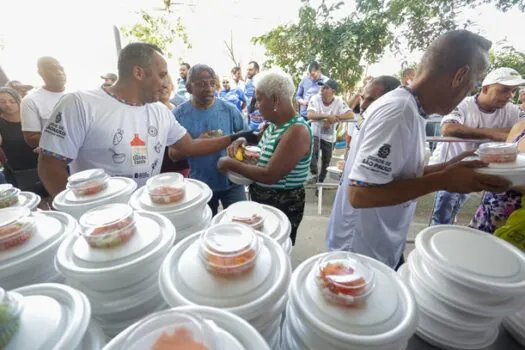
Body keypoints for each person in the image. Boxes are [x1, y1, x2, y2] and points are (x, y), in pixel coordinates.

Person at [325, 30, 511, 269]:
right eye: (472, 85)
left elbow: (395, 177)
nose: (469, 93)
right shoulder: (399, 111)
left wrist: (451, 167)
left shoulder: (410, 109)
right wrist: (444, 180)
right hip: (359, 252)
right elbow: (359, 194)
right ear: (460, 75)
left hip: (376, 244)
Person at [38, 43, 259, 197]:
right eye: (162, 74)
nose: (165, 83)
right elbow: (50, 165)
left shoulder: (159, 111)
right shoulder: (79, 104)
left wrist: (238, 136)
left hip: (149, 210)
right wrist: (77, 216)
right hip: (101, 222)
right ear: (139, 73)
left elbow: (190, 146)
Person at [218, 70, 312, 246]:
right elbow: (263, 145)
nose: (256, 105)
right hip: (264, 201)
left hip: (282, 205)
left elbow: (270, 175)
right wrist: (242, 139)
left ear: (275, 100)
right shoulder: (275, 126)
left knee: (275, 250)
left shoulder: (297, 131)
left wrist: (229, 163)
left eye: (259, 99)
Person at [429, 67, 525, 225]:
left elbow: (522, 128)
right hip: (450, 167)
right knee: (443, 209)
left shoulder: (512, 111)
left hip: (479, 170)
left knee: (454, 207)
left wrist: (477, 132)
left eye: (513, 91)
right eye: (504, 90)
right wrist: (494, 134)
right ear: (486, 89)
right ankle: (437, 236)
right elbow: (448, 128)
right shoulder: (463, 104)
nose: (509, 96)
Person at [172, 64, 248, 215]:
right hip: (200, 185)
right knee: (205, 228)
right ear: (189, 88)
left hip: (232, 181)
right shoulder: (178, 115)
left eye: (212, 83)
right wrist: (193, 144)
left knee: (241, 222)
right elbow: (172, 155)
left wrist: (240, 141)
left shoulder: (229, 110)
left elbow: (246, 135)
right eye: (201, 84)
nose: (208, 88)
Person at [470, 120, 525, 233]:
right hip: (492, 206)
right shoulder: (519, 127)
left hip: (519, 217)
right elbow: (504, 164)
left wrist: (506, 180)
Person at [0, 87, 49, 206]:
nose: (8, 105)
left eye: (12, 101)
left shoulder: (32, 116)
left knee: (54, 197)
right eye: (3, 101)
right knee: (35, 204)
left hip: (44, 164)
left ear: (19, 100)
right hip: (19, 172)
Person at [307, 79, 353, 183]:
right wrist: (327, 116)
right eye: (322, 87)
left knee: (326, 162)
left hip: (330, 137)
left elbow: (350, 114)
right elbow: (310, 115)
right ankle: (314, 174)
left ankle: (320, 181)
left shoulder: (339, 101)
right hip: (316, 134)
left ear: (333, 92)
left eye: (326, 88)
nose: (322, 90)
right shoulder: (315, 98)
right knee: (312, 155)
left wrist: (334, 118)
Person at [21, 56, 66, 149]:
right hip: (59, 159)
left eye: (61, 68)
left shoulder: (78, 94)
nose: (59, 72)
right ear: (40, 73)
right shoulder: (30, 100)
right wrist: (70, 141)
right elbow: (31, 138)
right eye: (52, 69)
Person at [159, 75, 190, 177]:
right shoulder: (148, 112)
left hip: (183, 167)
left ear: (172, 86)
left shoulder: (181, 109)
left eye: (167, 83)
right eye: (160, 83)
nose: (164, 86)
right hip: (160, 170)